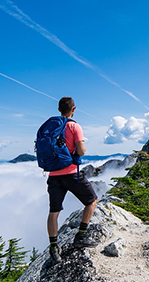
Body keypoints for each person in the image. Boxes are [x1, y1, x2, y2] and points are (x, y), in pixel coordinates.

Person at [46, 97, 98, 264]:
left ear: (59, 109)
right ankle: (80, 236)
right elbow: (81, 151)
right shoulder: (74, 126)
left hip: (53, 175)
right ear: (73, 109)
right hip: (71, 173)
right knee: (92, 201)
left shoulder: (52, 127)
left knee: (53, 213)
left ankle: (54, 248)